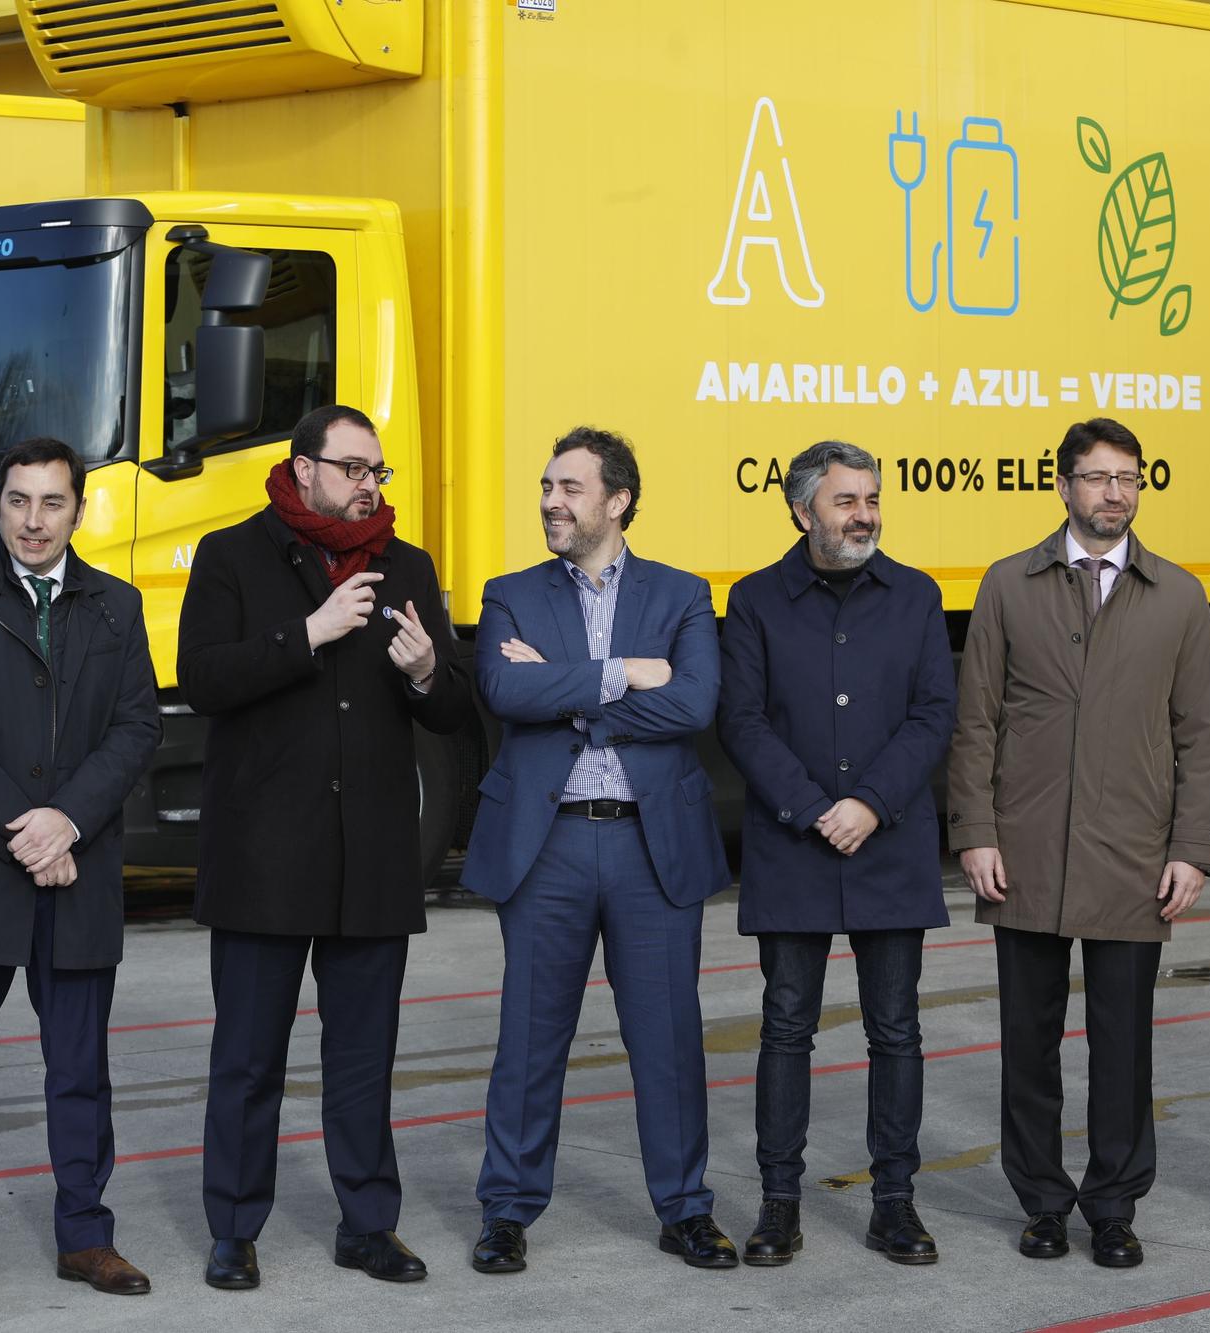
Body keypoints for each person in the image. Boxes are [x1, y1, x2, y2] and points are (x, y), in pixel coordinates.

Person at [179, 404, 472, 1291]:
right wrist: (307, 633)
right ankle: (234, 1228)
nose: (368, 486)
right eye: (353, 469)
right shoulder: (232, 556)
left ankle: (368, 1224)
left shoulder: (407, 564)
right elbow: (203, 679)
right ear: (303, 468)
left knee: (362, 1059)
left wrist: (427, 670)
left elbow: (456, 709)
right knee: (249, 1057)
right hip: (266, 858)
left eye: (377, 473)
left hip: (372, 858)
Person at [948, 417, 1210, 1268]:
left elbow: (1201, 736)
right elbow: (976, 723)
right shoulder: (1007, 585)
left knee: (1123, 1041)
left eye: (1129, 479)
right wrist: (976, 832)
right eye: (1099, 478)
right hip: (1024, 852)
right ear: (1062, 485)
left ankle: (1112, 1205)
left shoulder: (1177, 595)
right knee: (1027, 1039)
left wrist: (1192, 848)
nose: (1116, 493)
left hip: (1134, 857)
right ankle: (1040, 1200)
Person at [462, 426, 736, 1275]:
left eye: (570, 488)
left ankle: (686, 1209)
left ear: (616, 500)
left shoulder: (684, 594)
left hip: (649, 845)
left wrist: (573, 689)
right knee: (529, 1039)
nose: (550, 500)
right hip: (546, 846)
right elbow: (505, 688)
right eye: (546, 485)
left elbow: (693, 706)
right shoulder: (509, 592)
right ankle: (507, 1210)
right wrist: (625, 673)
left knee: (667, 1038)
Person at [0, 438, 160, 1305]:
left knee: (81, 1069)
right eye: (18, 501)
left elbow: (136, 731)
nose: (34, 520)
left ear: (78, 511)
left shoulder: (118, 607)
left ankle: (86, 1236)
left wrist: (70, 822)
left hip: (76, 871)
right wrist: (27, 832)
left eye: (52, 503)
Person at [718, 440, 955, 1267]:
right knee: (787, 1028)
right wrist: (818, 809)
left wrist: (869, 804)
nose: (865, 515)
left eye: (872, 499)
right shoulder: (753, 601)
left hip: (889, 846)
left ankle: (896, 1204)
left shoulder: (918, 596)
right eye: (847, 500)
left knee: (896, 1029)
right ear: (802, 509)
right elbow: (742, 721)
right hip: (795, 847)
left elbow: (933, 714)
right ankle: (778, 1204)